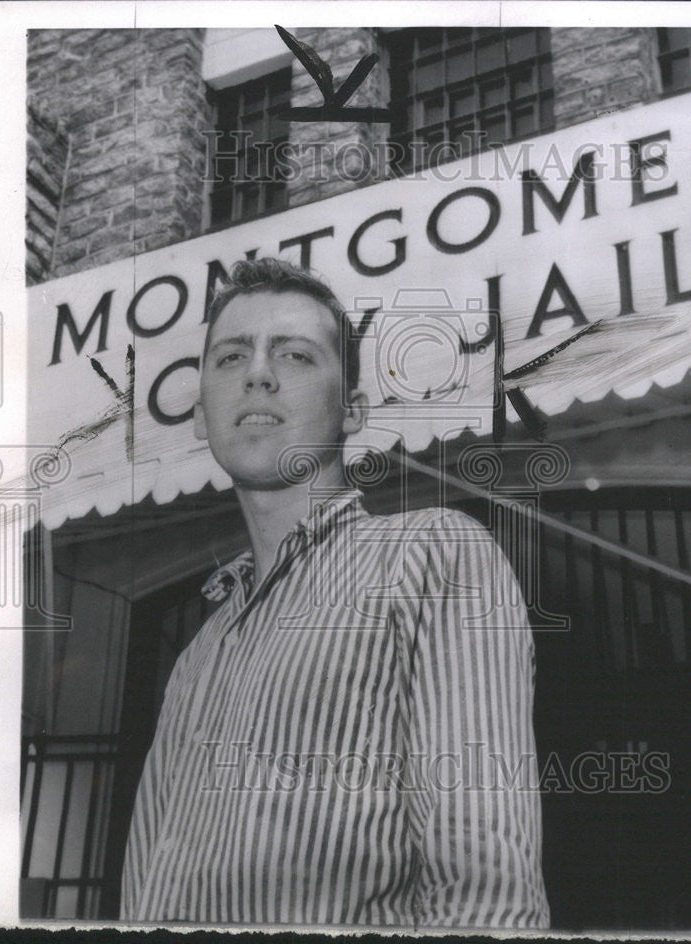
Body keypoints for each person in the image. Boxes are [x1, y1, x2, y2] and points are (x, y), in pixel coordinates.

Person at [120, 257, 549, 928]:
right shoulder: (197, 655)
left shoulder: (434, 557)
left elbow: (483, 886)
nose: (258, 372)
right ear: (201, 414)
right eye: (231, 357)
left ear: (353, 410)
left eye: (294, 355)